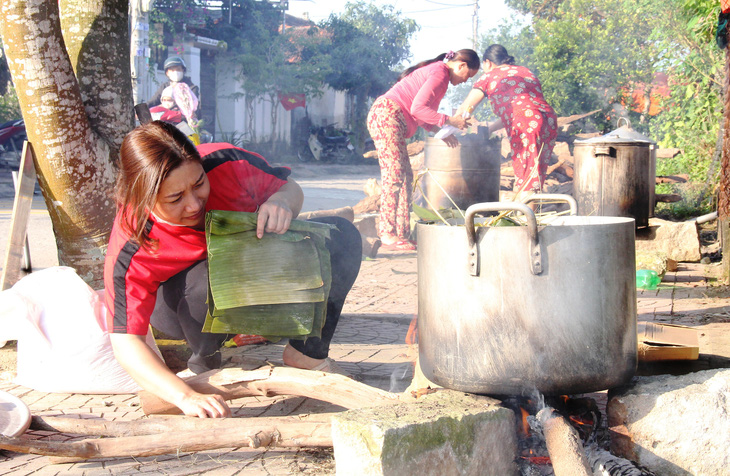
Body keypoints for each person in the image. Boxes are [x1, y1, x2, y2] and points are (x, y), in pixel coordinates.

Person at [104, 121, 362, 418]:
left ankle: (306, 353)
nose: (193, 204)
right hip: (181, 306)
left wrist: (281, 203)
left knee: (340, 235)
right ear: (143, 199)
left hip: (251, 274)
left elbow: (289, 188)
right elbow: (125, 342)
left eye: (199, 184)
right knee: (205, 275)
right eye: (175, 198)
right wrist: (184, 396)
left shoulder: (227, 163)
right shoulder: (132, 240)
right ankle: (205, 365)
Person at [367, 49, 480, 251]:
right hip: (386, 116)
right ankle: (386, 233)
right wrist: (450, 120)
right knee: (394, 175)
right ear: (461, 65)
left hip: (392, 120)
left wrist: (444, 131)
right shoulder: (439, 73)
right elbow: (418, 109)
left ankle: (402, 234)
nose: (465, 82)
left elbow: (422, 118)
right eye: (468, 76)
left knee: (406, 177)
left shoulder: (441, 78)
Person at [456, 44, 558, 194]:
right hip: (548, 120)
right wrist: (490, 128)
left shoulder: (489, 75)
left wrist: (452, 123)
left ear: (488, 62)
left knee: (526, 176)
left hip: (527, 123)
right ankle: (530, 214)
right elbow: (520, 111)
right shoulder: (525, 71)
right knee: (534, 173)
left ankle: (526, 217)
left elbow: (466, 108)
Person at [147, 56, 201, 123]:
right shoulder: (164, 87)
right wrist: (140, 110)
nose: (175, 72)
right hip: (165, 122)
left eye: (178, 69)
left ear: (183, 70)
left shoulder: (191, 88)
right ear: (167, 73)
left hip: (184, 122)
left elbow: (192, 108)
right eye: (172, 70)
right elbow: (153, 101)